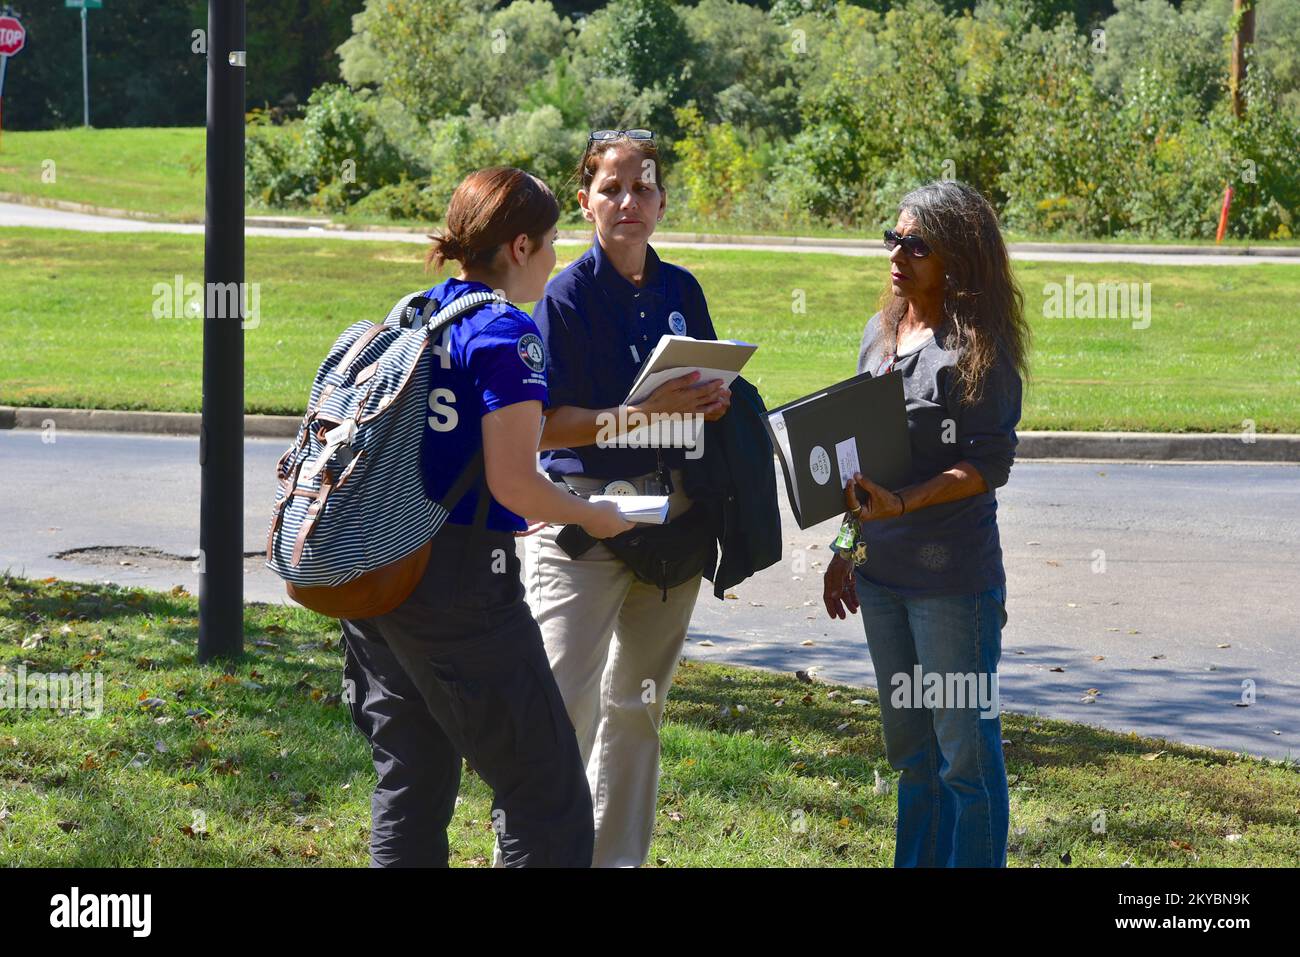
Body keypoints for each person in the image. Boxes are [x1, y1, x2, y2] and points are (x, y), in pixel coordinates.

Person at [339, 166, 634, 868]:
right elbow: (517, 482)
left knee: (411, 782)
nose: (559, 255)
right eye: (555, 239)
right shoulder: (507, 332)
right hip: (459, 590)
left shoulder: (414, 310)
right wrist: (591, 514)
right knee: (548, 795)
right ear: (522, 245)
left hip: (378, 573)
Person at [520, 129, 730, 867]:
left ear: (663, 201)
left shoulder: (682, 291)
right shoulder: (564, 297)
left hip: (670, 524)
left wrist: (710, 403)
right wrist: (643, 412)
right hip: (579, 521)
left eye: (642, 187)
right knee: (561, 706)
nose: (627, 201)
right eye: (610, 188)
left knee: (636, 710)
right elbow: (544, 425)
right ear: (584, 203)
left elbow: (701, 395)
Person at [822, 179, 1030, 868]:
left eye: (918, 244)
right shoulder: (878, 334)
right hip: (881, 578)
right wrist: (845, 548)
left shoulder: (978, 347)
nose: (898, 254)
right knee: (912, 754)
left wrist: (906, 503)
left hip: (952, 587)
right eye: (894, 238)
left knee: (963, 756)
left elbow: (987, 464)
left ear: (959, 258)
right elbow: (857, 461)